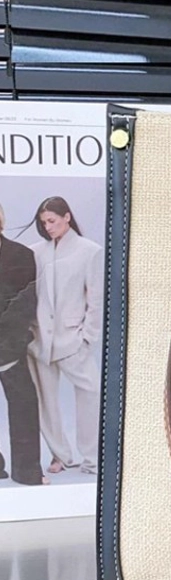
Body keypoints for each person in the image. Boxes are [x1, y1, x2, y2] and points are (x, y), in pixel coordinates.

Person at [28, 197, 103, 475]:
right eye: (44, 222)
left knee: (91, 394)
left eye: (52, 220)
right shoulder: (36, 252)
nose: (48, 227)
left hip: (73, 340)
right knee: (45, 401)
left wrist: (88, 338)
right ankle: (60, 455)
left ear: (67, 217)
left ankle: (92, 458)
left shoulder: (90, 251)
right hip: (39, 341)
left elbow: (96, 299)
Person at [0, 202, 47, 485]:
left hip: (10, 344)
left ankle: (28, 472)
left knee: (24, 402)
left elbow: (24, 305)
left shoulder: (21, 255)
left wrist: (8, 346)